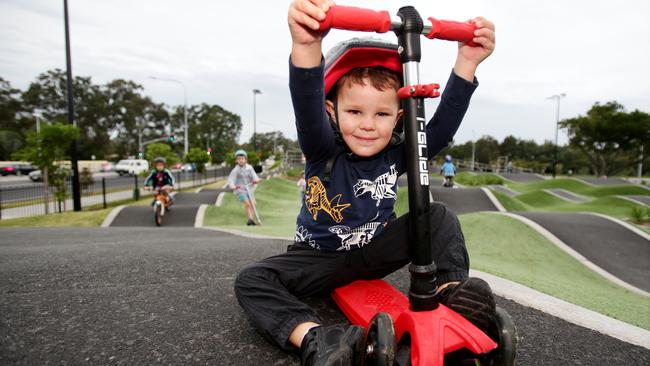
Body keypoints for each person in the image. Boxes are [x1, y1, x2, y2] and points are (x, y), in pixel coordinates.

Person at [235, 1, 496, 364]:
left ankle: (453, 295)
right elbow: (305, 104)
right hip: (318, 258)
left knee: (439, 216)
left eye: (382, 114)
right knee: (252, 279)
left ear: (400, 118)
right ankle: (315, 338)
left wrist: (467, 62)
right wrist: (307, 46)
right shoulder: (322, 148)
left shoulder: (395, 153)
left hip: (374, 252)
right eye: (355, 111)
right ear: (333, 111)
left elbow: (439, 129)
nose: (368, 124)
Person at [228, 149, 260, 226]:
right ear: (236, 160)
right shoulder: (235, 170)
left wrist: (256, 180)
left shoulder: (249, 168)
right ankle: (249, 219)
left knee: (253, 204)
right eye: (239, 159)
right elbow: (231, 180)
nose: (241, 160)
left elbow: (254, 176)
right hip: (240, 190)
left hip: (250, 189)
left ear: (245, 160)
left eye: (242, 159)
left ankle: (251, 219)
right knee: (247, 204)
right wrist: (233, 187)